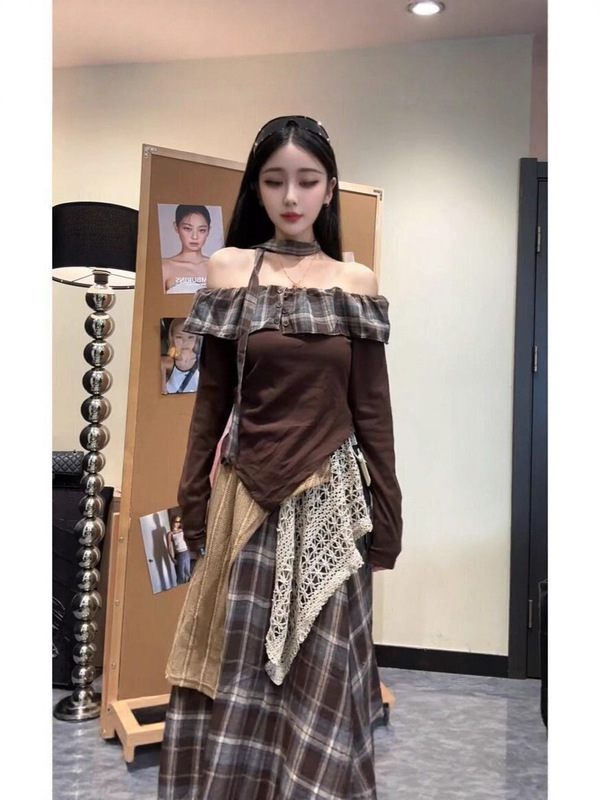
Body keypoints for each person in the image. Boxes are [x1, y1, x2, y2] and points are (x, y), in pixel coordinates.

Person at [158, 115, 403, 800]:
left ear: (329, 188)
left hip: (331, 509)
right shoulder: (228, 269)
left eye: (307, 180)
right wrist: (192, 501)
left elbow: (373, 411)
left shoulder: (355, 281)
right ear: (256, 188)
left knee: (323, 679)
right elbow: (211, 403)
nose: (291, 196)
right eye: (274, 181)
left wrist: (390, 516)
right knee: (237, 675)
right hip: (247, 506)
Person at [162, 204, 212, 293]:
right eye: (187, 228)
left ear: (208, 231)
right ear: (176, 227)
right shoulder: (164, 267)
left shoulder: (217, 266)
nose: (195, 237)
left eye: (202, 230)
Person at [160, 318, 201, 394]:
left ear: (197, 338)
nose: (185, 342)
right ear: (172, 337)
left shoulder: (205, 362)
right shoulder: (164, 363)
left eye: (190, 337)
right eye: (179, 337)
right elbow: (160, 396)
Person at [166, 515, 192, 585]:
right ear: (172, 521)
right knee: (181, 575)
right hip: (179, 554)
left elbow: (185, 540)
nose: (177, 523)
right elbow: (169, 547)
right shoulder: (170, 534)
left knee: (188, 572)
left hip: (186, 552)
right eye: (176, 521)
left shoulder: (182, 530)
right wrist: (172, 558)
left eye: (179, 522)